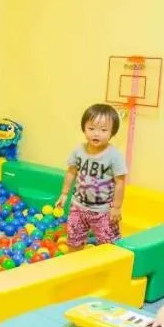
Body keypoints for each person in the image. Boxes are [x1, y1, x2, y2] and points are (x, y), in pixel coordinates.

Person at [55, 104, 128, 251]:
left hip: (103, 211)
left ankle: (108, 262)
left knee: (109, 244)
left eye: (103, 130)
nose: (96, 134)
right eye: (91, 128)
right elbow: (71, 172)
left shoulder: (113, 156)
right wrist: (64, 194)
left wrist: (116, 207)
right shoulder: (79, 150)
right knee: (73, 240)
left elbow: (120, 182)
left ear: (112, 132)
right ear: (84, 128)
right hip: (78, 206)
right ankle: (75, 259)